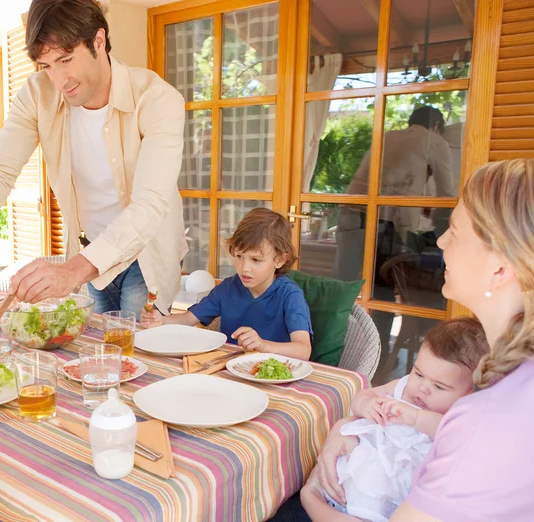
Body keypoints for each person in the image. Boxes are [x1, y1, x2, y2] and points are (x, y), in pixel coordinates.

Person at [296, 159, 534, 522]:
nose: (440, 241)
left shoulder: (489, 421)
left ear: (499, 268)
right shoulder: (514, 374)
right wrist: (340, 431)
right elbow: (377, 397)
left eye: (454, 231)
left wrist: (310, 498)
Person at [0, 0, 187, 315]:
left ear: (98, 41)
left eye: (66, 59)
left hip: (147, 253)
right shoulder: (37, 94)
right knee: (99, 354)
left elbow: (149, 205)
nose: (59, 81)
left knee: (134, 353)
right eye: (46, 65)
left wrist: (72, 271)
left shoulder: (157, 99)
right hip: (90, 251)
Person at [300, 318, 488, 522]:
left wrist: (417, 417)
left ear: (468, 393)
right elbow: (364, 395)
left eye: (439, 386)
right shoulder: (405, 385)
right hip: (362, 457)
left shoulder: (458, 414)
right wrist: (365, 405)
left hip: (392, 481)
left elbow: (451, 433)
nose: (422, 387)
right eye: (419, 373)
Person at [335, 106, 454, 369]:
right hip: (383, 221)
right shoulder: (435, 141)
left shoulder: (387, 136)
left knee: (342, 290)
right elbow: (448, 196)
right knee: (382, 292)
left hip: (350, 212)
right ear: (436, 126)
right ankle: (376, 362)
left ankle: (335, 355)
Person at [140, 208, 313, 360]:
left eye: (256, 260)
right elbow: (187, 319)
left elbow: (303, 350)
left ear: (280, 260)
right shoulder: (228, 288)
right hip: (232, 369)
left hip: (272, 374)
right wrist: (161, 320)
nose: (245, 268)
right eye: (239, 256)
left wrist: (263, 345)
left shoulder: (290, 295)